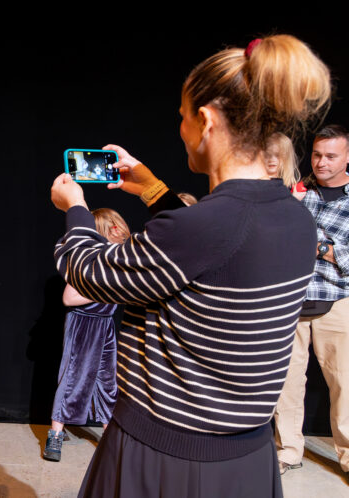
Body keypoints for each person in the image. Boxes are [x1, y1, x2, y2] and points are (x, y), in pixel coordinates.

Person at [50, 34, 330, 497]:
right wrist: (151, 190)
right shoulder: (295, 218)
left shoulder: (209, 226)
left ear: (206, 120)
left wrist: (75, 208)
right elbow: (209, 258)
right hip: (245, 457)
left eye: (182, 117)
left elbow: (86, 271)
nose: (181, 128)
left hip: (167, 456)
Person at [274, 124, 349, 475]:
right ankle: (288, 450)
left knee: (344, 385)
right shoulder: (297, 192)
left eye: (331, 156)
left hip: (336, 301)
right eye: (318, 154)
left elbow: (338, 255)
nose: (321, 162)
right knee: (286, 383)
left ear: (347, 157)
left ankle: (347, 457)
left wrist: (320, 245)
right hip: (292, 301)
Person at [43, 208, 129, 462]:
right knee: (73, 377)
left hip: (106, 325)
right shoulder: (90, 259)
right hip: (84, 324)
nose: (122, 234)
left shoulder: (115, 259)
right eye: (116, 229)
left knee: (107, 381)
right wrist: (108, 289)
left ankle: (109, 432)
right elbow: (69, 297)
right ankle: (56, 434)